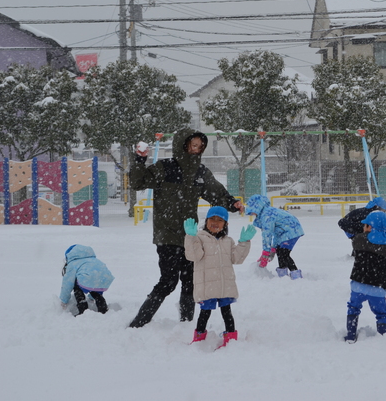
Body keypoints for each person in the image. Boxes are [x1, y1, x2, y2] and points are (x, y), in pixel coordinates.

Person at [128, 128, 245, 328]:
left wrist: (231, 203)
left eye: (200, 146)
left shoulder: (200, 172)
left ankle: (186, 322)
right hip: (167, 236)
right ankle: (139, 323)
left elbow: (216, 193)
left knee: (191, 281)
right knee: (168, 281)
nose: (197, 149)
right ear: (183, 145)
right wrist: (139, 161)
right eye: (194, 145)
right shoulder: (165, 167)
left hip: (190, 236)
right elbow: (138, 182)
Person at [183, 207, 255, 347]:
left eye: (220, 220)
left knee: (227, 313)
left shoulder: (228, 241)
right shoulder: (200, 238)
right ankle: (198, 339)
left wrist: (244, 242)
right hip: (207, 285)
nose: (215, 223)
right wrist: (191, 237)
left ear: (226, 224)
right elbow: (193, 256)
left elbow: (236, 259)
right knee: (205, 313)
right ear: (206, 221)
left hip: (224, 285)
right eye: (212, 219)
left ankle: (230, 339)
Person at [345, 211, 386, 343]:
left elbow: (357, 246)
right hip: (378, 287)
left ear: (370, 227)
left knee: (353, 308)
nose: (363, 227)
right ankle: (383, 337)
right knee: (382, 314)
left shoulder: (359, 239)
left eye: (365, 225)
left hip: (357, 284)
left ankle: (350, 335)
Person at [245, 194, 305, 279]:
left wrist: (266, 253)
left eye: (252, 210)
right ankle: (283, 274)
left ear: (257, 207)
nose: (252, 213)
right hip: (285, 232)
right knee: (280, 252)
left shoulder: (267, 215)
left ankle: (296, 275)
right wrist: (273, 248)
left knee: (284, 253)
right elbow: (276, 233)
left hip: (292, 230)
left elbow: (267, 234)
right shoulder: (266, 213)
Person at [59, 244, 114, 316]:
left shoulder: (73, 263)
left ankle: (83, 308)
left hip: (87, 280)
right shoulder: (94, 260)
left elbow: (67, 283)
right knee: (93, 284)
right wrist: (91, 298)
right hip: (105, 280)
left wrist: (63, 301)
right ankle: (103, 309)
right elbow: (97, 279)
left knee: (76, 285)